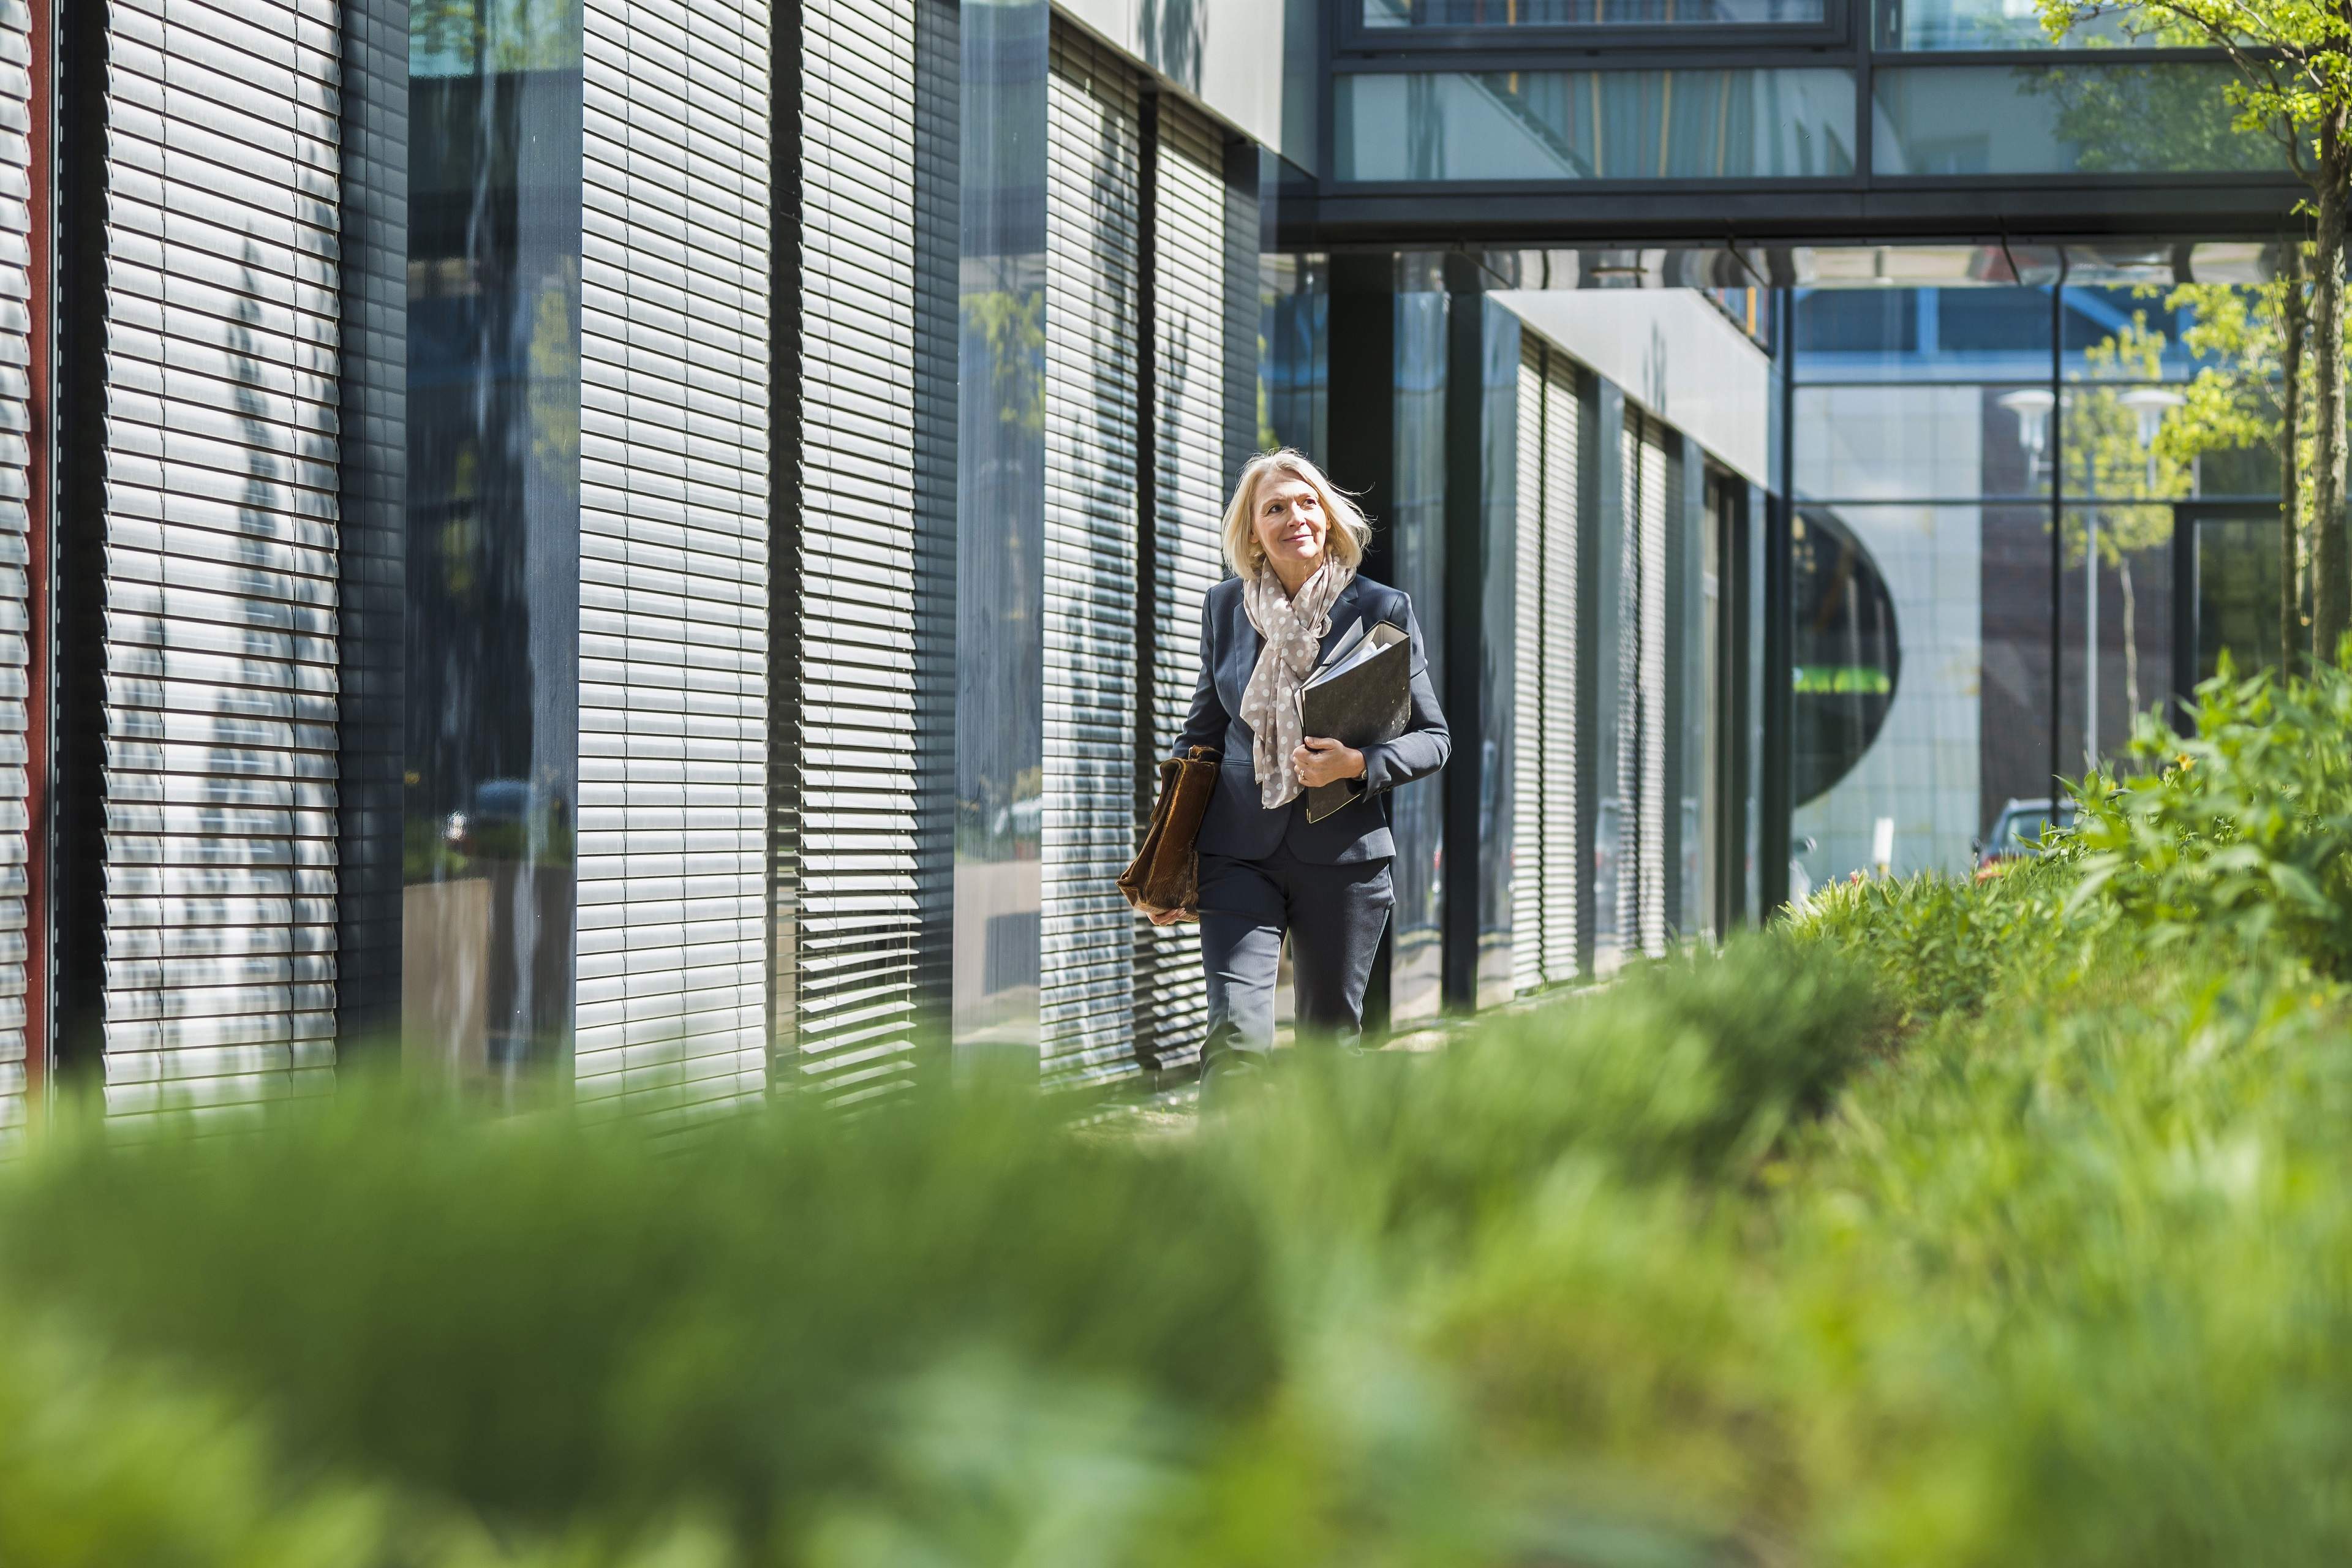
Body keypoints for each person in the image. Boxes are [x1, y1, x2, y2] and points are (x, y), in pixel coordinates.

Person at [1153, 449, 1449, 1091]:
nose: (1295, 517)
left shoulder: (1381, 608)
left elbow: (1435, 739)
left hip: (1344, 860)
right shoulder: (1225, 608)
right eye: (1275, 508)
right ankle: (1225, 1188)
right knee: (1234, 1039)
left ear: (1330, 515)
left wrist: (1359, 764)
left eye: (1307, 502)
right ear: (1253, 531)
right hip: (1238, 853)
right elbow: (1200, 736)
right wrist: (1167, 856)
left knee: (1327, 1054)